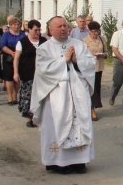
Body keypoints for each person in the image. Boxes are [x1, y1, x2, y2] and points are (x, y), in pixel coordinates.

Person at [30, 16, 96, 175]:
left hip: (77, 94)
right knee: (55, 127)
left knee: (79, 126)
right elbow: (43, 70)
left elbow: (91, 63)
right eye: (59, 26)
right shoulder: (44, 48)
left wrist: (76, 60)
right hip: (56, 96)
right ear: (51, 30)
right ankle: (58, 162)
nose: (63, 29)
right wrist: (64, 60)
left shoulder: (78, 45)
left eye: (65, 26)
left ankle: (79, 161)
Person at [13, 20, 47, 128]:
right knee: (28, 95)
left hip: (42, 74)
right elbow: (16, 58)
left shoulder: (44, 41)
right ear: (29, 29)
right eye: (35, 30)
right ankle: (29, 118)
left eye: (39, 30)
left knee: (42, 95)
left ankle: (40, 116)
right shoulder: (22, 42)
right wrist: (15, 73)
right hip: (27, 73)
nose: (38, 32)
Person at [82, 21, 108, 121]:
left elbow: (106, 53)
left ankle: (93, 107)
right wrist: (90, 55)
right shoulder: (84, 40)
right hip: (89, 68)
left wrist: (102, 55)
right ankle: (91, 110)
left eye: (97, 31)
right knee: (90, 89)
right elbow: (82, 55)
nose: (95, 33)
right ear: (89, 31)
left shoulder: (102, 39)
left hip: (99, 67)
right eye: (93, 31)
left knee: (97, 89)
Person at [0, 17, 26, 105]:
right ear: (11, 25)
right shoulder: (6, 34)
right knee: (9, 77)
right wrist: (11, 53)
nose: (16, 26)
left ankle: (15, 95)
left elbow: (25, 44)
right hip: (9, 56)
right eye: (14, 24)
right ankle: (10, 97)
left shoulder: (22, 34)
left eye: (18, 24)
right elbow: (2, 45)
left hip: (20, 56)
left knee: (17, 76)